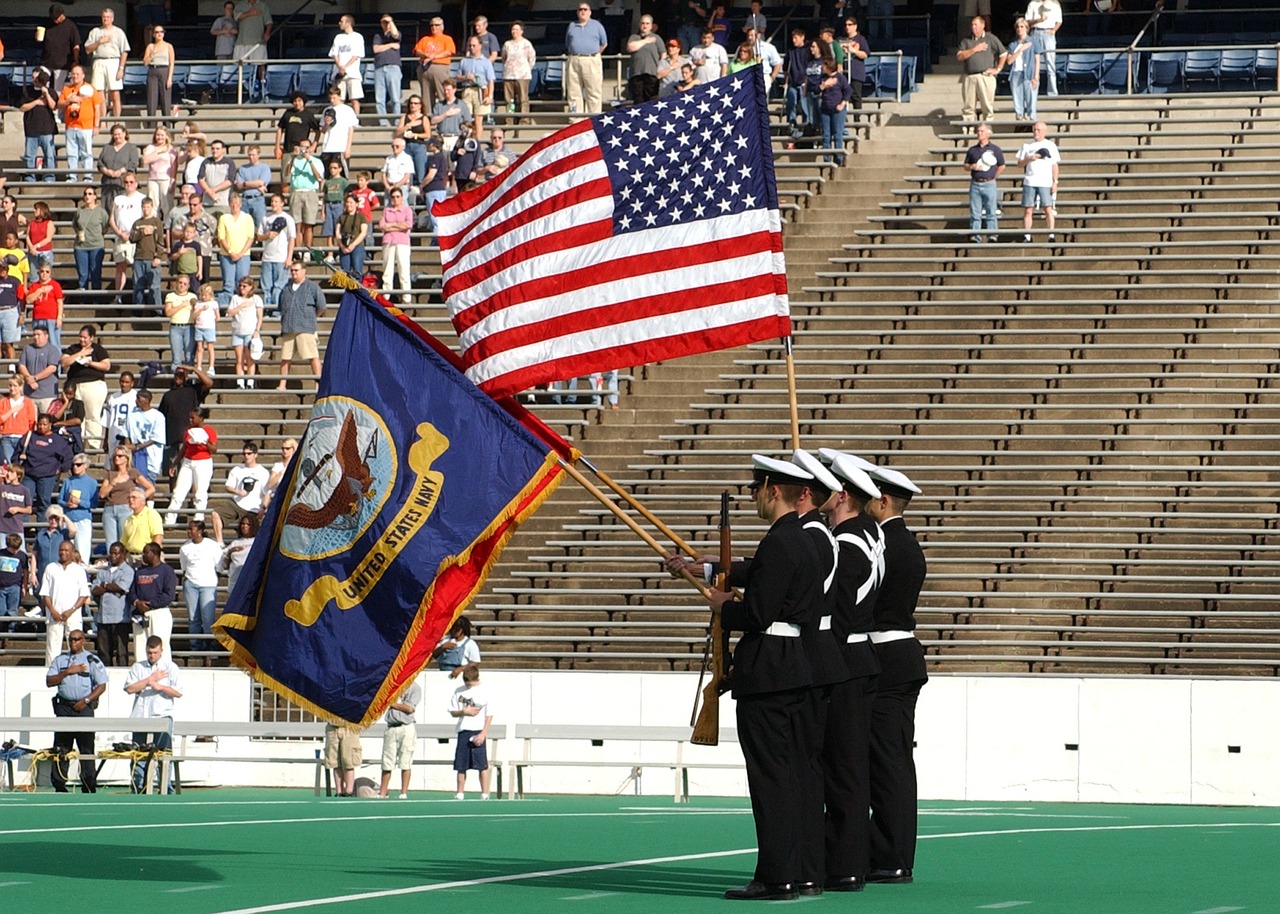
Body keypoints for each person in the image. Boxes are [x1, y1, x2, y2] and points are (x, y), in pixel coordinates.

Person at [667, 454, 824, 901]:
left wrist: (722, 607)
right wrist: (711, 566)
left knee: (770, 779)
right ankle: (794, 871)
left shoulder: (781, 540)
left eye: (756, 490)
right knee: (790, 777)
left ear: (774, 490)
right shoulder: (805, 539)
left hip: (770, 669)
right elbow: (756, 572)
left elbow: (757, 611)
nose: (753, 497)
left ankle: (775, 877)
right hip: (793, 664)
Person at [816, 451, 885, 892]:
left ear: (842, 495)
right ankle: (846, 863)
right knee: (847, 770)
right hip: (857, 660)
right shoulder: (866, 534)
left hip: (844, 663)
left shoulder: (847, 544)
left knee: (842, 771)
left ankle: (843, 865)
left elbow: (817, 592)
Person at [861, 463, 926, 884]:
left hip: (884, 656)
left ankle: (890, 855)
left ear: (883, 500)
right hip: (900, 655)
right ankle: (892, 853)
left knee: (886, 763)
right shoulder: (906, 543)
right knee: (894, 762)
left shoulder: (881, 544)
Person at [45, 628, 108, 792]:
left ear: (84, 640)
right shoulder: (60, 660)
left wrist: (86, 700)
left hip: (84, 706)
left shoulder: (92, 660)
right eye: (71, 639)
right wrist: (68, 672)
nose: (74, 642)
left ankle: (88, 784)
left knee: (86, 748)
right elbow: (50, 681)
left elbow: (102, 686)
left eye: (77, 639)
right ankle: (59, 784)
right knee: (61, 747)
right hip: (64, 706)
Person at [123, 634, 182, 793]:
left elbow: (178, 692)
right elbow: (129, 689)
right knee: (139, 755)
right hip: (141, 717)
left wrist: (160, 687)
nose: (152, 656)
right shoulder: (138, 667)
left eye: (155, 652)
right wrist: (149, 680)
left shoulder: (170, 667)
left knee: (163, 755)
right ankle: (138, 788)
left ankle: (165, 788)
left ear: (161, 651)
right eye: (149, 652)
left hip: (162, 716)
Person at [40, 538, 90, 666]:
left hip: (73, 615)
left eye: (66, 550)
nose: (63, 552)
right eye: (61, 550)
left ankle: (77, 672)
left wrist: (71, 610)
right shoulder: (51, 568)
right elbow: (45, 593)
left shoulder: (79, 570)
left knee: (76, 647)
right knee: (52, 648)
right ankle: (51, 674)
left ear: (72, 552)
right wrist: (52, 611)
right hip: (54, 615)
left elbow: (83, 595)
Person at [277, 260, 326, 389]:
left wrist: (311, 317)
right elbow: (280, 305)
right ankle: (282, 384)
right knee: (285, 358)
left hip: (306, 327)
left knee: (312, 356)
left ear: (304, 271)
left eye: (296, 270)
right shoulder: (286, 288)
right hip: (288, 327)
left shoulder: (312, 287)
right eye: (292, 270)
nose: (293, 273)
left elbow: (322, 306)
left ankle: (318, 384)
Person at [60, 325, 111, 449]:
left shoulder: (98, 349)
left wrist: (90, 362)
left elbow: (106, 366)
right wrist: (80, 353)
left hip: (93, 385)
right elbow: (64, 362)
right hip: (75, 386)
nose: (82, 340)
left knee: (92, 415)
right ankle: (78, 444)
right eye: (80, 337)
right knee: (77, 416)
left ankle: (94, 445)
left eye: (85, 337)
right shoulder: (73, 349)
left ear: (91, 338)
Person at [165, 407, 217, 526]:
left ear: (201, 418)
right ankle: (170, 520)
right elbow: (184, 447)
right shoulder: (188, 430)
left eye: (193, 418)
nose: (190, 420)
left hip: (203, 462)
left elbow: (214, 449)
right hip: (188, 461)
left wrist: (204, 442)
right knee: (179, 491)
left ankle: (199, 519)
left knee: (200, 492)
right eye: (190, 417)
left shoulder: (209, 431)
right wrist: (175, 463)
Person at [449, 663, 493, 799]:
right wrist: (464, 711)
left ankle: (485, 793)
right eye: (466, 683)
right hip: (464, 730)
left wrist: (483, 733)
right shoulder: (458, 691)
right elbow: (452, 712)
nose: (469, 685)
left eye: (471, 683)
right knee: (461, 765)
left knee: (482, 764)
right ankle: (460, 792)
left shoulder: (484, 691)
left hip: (478, 731)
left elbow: (489, 715)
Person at [157, 365, 211, 475]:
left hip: (189, 438)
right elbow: (160, 417)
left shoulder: (193, 391)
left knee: (189, 472)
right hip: (171, 438)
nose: (178, 377)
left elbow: (209, 383)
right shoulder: (167, 395)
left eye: (182, 375)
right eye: (176, 374)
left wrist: (194, 369)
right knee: (172, 473)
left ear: (186, 377)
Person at [128, 542, 176, 660]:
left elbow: (169, 595)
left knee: (160, 644)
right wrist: (137, 602)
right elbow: (132, 591)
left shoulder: (167, 570)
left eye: (146, 552)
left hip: (159, 613)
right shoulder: (139, 571)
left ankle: (163, 673)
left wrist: (150, 604)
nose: (143, 555)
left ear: (154, 553)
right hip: (140, 613)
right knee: (140, 647)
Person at [179, 520, 220, 651]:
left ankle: (210, 647)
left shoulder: (212, 545)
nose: (189, 532)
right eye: (188, 529)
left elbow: (219, 565)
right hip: (191, 585)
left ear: (200, 531)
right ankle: (195, 647)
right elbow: (184, 567)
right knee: (193, 618)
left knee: (208, 618)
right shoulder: (184, 547)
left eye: (192, 529)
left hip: (208, 584)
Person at [1018, 120, 1061, 244]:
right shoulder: (1027, 145)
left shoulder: (1050, 145)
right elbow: (1019, 164)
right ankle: (1027, 235)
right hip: (1029, 181)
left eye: (1038, 130)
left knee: (1048, 208)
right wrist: (1028, 158)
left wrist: (1055, 182)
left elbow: (1055, 165)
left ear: (1044, 131)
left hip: (1045, 182)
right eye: (1034, 129)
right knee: (1028, 209)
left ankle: (1051, 234)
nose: (1036, 132)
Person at [957, 15, 1006, 124]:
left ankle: (987, 130)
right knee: (968, 107)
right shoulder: (966, 41)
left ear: (983, 25)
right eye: (972, 25)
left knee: (987, 107)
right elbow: (960, 56)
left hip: (985, 76)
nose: (973, 27)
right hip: (969, 77)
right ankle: (967, 132)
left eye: (976, 25)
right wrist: (974, 49)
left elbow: (1003, 53)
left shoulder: (991, 38)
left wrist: (998, 68)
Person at [101, 444, 154, 545]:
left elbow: (151, 488)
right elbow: (102, 494)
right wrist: (113, 482)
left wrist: (138, 499)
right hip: (109, 509)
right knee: (110, 543)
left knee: (124, 541)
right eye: (115, 456)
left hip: (125, 508)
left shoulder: (132, 472)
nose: (117, 458)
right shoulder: (110, 474)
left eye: (120, 456)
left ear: (126, 458)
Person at [19, 413, 72, 513]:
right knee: (25, 502)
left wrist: (61, 468)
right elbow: (18, 452)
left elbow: (68, 456)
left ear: (50, 425)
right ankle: (23, 527)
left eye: (44, 424)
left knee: (44, 503)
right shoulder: (30, 436)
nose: (42, 427)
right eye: (39, 424)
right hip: (28, 475)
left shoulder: (57, 440)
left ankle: (42, 528)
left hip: (47, 477)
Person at [92, 541, 134, 665]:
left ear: (123, 554)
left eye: (116, 553)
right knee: (104, 652)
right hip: (103, 618)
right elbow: (94, 590)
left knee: (121, 653)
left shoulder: (128, 571)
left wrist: (104, 585)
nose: (113, 556)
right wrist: (110, 587)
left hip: (120, 619)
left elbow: (122, 587)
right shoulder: (103, 571)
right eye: (111, 553)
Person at [378, 677, 421, 799]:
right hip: (392, 726)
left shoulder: (415, 687)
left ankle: (403, 792)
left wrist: (392, 704)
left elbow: (409, 708)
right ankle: (383, 792)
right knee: (387, 761)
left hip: (406, 726)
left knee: (405, 760)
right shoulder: (393, 685)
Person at [84, 7, 130, 121]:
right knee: (99, 93)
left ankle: (116, 121)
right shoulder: (95, 31)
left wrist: (121, 68)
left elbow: (124, 51)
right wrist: (99, 42)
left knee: (115, 93)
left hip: (114, 61)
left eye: (108, 17)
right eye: (104, 17)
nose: (106, 19)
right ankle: (103, 120)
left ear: (112, 19)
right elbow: (87, 49)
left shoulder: (118, 32)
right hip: (98, 61)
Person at [57, 66, 99, 183]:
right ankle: (72, 176)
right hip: (71, 126)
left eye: (78, 74)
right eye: (73, 74)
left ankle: (87, 176)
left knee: (86, 152)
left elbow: (97, 107)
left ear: (83, 75)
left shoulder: (90, 89)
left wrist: (96, 125)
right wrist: (69, 101)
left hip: (86, 126)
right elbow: (59, 105)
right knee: (71, 153)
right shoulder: (66, 89)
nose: (75, 76)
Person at [964, 122, 1004, 243]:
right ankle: (975, 235)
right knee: (975, 212)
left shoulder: (995, 149)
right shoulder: (972, 150)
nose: (979, 133)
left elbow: (1002, 165)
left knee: (991, 210)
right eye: (978, 131)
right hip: (975, 183)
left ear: (988, 133)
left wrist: (993, 177)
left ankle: (992, 235)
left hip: (989, 183)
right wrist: (972, 166)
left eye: (982, 131)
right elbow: (965, 165)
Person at [565, 3, 608, 115]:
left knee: (593, 91)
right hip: (574, 59)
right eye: (580, 9)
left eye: (585, 9)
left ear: (590, 12)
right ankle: (575, 120)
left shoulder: (597, 25)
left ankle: (593, 120)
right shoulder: (572, 25)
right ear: (577, 12)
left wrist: (593, 54)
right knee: (573, 92)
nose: (583, 11)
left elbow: (604, 43)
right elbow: (568, 43)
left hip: (591, 60)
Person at [20, 67, 59, 183]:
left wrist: (46, 94)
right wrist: (36, 102)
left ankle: (49, 177)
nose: (34, 80)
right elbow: (22, 107)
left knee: (49, 155)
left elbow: (53, 106)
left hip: (47, 129)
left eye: (36, 78)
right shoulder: (27, 91)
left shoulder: (51, 91)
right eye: (32, 78)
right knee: (29, 156)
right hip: (31, 129)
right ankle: (29, 177)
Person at [274, 91, 319, 192]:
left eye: (299, 100)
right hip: (288, 150)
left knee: (300, 176)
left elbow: (317, 131)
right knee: (286, 178)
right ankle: (286, 202)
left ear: (303, 102)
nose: (297, 103)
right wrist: (277, 146)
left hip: (302, 151)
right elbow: (280, 129)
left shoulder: (308, 115)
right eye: (295, 101)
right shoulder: (288, 113)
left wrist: (314, 145)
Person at [216, 192, 255, 307]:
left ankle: (241, 306)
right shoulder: (224, 218)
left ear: (241, 204)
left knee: (242, 282)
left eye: (237, 203)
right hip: (227, 255)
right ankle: (228, 307)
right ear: (229, 204)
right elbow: (221, 238)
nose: (235, 206)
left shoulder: (247, 218)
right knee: (228, 284)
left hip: (244, 255)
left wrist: (241, 253)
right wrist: (230, 252)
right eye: (232, 203)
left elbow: (250, 237)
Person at [128, 195, 165, 310]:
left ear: (152, 207)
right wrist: (142, 232)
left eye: (148, 207)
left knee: (155, 287)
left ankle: (157, 311)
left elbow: (160, 241)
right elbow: (132, 238)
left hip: (152, 258)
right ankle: (137, 311)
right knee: (138, 286)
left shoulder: (156, 222)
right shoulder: (137, 223)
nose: (145, 209)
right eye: (144, 207)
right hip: (139, 258)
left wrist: (158, 256)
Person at [227, 276, 265, 388]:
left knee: (250, 359)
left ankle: (250, 382)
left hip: (250, 332)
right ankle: (240, 382)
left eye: (245, 286)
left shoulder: (256, 299)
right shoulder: (235, 298)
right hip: (237, 332)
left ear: (250, 287)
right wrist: (241, 306)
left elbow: (260, 316)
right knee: (239, 359)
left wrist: (257, 330)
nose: (242, 288)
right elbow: (230, 312)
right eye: (240, 286)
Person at [413, 16, 456, 114]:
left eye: (437, 25)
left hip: (440, 67)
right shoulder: (425, 39)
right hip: (424, 69)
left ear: (442, 27)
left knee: (443, 93)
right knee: (426, 96)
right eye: (432, 25)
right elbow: (417, 51)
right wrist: (426, 55)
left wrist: (434, 56)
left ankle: (444, 115)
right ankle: (428, 119)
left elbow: (449, 51)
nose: (434, 27)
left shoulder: (447, 38)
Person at [287, 140, 324, 251]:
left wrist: (309, 160)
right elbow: (287, 173)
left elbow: (319, 177)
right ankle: (298, 250)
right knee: (297, 224)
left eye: (306, 147)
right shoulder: (294, 160)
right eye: (302, 147)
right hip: (296, 191)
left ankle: (308, 250)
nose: (304, 149)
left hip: (310, 192)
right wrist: (293, 157)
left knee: (308, 224)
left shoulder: (316, 161)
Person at [378, 188, 413, 303]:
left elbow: (408, 224)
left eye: (398, 196)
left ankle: (407, 298)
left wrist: (391, 225)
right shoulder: (386, 210)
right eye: (393, 197)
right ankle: (386, 296)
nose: (395, 199)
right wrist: (398, 225)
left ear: (402, 198)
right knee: (387, 270)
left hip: (402, 243)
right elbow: (382, 226)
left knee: (404, 270)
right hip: (388, 242)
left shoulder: (407, 210)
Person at [71, 189, 109, 293]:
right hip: (80, 246)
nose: (87, 196)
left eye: (90, 194)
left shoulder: (101, 212)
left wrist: (97, 235)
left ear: (95, 197)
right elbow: (75, 224)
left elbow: (105, 227)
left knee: (95, 272)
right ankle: (84, 299)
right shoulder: (79, 210)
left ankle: (96, 298)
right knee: (83, 274)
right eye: (85, 194)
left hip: (96, 246)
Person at [456, 37, 495, 138]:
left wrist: (490, 96)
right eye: (470, 46)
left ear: (480, 46)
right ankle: (466, 140)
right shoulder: (464, 61)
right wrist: (465, 77)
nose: (472, 48)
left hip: (480, 91)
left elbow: (490, 80)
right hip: (467, 90)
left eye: (474, 45)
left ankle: (477, 142)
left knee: (478, 120)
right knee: (466, 118)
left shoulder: (486, 62)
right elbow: (457, 77)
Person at [59, 452, 96, 560]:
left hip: (83, 519)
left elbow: (94, 504)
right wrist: (67, 504)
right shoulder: (67, 481)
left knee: (82, 551)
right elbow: (60, 499)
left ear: (86, 466)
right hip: (68, 519)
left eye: (78, 464)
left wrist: (80, 502)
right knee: (66, 550)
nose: (75, 467)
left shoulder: (91, 482)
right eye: (73, 464)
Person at [816, 58, 851, 166]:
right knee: (826, 135)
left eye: (824, 66)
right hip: (825, 109)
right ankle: (826, 160)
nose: (822, 67)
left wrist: (843, 103)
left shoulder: (841, 78)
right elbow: (816, 90)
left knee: (837, 134)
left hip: (837, 110)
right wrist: (824, 85)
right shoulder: (823, 78)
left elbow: (848, 91)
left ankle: (838, 159)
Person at [41, 3, 82, 93]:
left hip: (62, 63)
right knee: (42, 85)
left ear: (62, 15)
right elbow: (40, 40)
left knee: (58, 89)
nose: (55, 20)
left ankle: (57, 106)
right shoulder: (47, 24)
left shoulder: (70, 26)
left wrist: (76, 60)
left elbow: (76, 44)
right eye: (53, 18)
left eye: (57, 17)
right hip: (46, 61)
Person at [329, 15, 366, 114]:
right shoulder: (338, 37)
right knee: (339, 100)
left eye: (342, 21)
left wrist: (345, 67)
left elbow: (357, 55)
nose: (339, 23)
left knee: (354, 99)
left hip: (353, 74)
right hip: (340, 74)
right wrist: (340, 67)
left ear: (348, 23)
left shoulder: (358, 37)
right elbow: (334, 54)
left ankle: (356, 121)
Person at [318, 86, 357, 178]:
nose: (332, 100)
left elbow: (350, 130)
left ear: (339, 96)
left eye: (334, 98)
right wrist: (326, 124)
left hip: (340, 148)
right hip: (327, 148)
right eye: (330, 98)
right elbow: (323, 130)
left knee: (342, 176)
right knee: (327, 175)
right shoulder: (326, 110)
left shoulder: (347, 110)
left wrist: (348, 148)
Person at [19, 325, 60, 413]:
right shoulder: (27, 348)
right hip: (29, 394)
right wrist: (28, 378)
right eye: (34, 335)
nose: (35, 337)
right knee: (30, 423)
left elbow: (52, 368)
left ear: (46, 336)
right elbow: (21, 365)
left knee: (47, 422)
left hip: (47, 394)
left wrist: (35, 378)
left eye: (38, 334)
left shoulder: (53, 350)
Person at [501, 23, 536, 123]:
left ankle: (524, 119)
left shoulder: (527, 44)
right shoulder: (507, 44)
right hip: (508, 75)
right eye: (513, 29)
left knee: (523, 99)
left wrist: (525, 69)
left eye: (517, 29)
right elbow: (504, 58)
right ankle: (510, 119)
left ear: (521, 31)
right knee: (509, 100)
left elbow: (532, 59)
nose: (514, 32)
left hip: (523, 75)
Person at [372, 14, 403, 127]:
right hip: (379, 68)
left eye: (387, 22)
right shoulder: (378, 36)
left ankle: (397, 121)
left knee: (395, 97)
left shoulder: (396, 34)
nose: (386, 25)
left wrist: (390, 21)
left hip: (393, 67)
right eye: (384, 22)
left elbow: (395, 34)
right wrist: (391, 45)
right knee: (379, 98)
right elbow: (376, 49)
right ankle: (383, 122)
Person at [1006, 18, 1039, 122]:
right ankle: (1019, 118)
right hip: (1016, 73)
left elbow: (1037, 60)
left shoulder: (1033, 42)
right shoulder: (1013, 45)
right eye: (1018, 27)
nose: (1019, 29)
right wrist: (1020, 50)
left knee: (1031, 99)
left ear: (1027, 28)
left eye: (1022, 27)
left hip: (1029, 73)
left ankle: (1031, 119)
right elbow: (1009, 61)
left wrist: (1036, 77)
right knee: (1017, 99)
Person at [1027, 0, 1062, 95]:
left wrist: (1053, 30)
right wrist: (1039, 20)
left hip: (1048, 33)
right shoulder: (1033, 3)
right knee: (1032, 63)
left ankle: (1052, 93)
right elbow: (1027, 21)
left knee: (1050, 63)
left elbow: (1059, 21)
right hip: (1035, 32)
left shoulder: (1055, 3)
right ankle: (1032, 91)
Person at [141, 24, 174, 124]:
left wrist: (169, 78)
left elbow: (172, 63)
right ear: (153, 34)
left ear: (164, 34)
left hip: (164, 70)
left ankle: (166, 125)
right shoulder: (150, 46)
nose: (159, 34)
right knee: (151, 99)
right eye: (156, 32)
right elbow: (145, 62)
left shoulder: (168, 46)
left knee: (165, 100)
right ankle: (151, 125)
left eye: (161, 32)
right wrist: (152, 54)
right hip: (152, 71)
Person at [0, 376, 37, 464]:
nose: (12, 388)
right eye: (10, 385)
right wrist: (12, 411)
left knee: (20, 465)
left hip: (22, 437)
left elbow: (31, 422)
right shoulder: (3, 402)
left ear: (21, 387)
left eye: (15, 385)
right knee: (9, 464)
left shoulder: (28, 402)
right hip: (6, 437)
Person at [141, 125, 176, 217]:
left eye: (162, 135)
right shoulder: (150, 147)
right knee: (153, 203)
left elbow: (174, 166)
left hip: (165, 179)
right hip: (153, 179)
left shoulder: (171, 148)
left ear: (166, 136)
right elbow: (145, 160)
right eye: (158, 135)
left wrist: (173, 180)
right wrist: (158, 151)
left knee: (166, 204)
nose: (159, 137)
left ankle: (167, 226)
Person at [218, 512, 258, 594]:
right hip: (234, 581)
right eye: (243, 524)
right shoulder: (235, 543)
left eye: (248, 524)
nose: (244, 526)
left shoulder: (257, 542)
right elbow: (225, 564)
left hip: (250, 582)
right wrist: (231, 552)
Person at [627, 15, 664, 104]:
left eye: (647, 23)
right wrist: (646, 41)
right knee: (638, 101)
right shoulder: (634, 37)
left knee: (651, 101)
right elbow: (630, 48)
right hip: (636, 74)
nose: (645, 26)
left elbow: (663, 54)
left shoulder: (656, 38)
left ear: (651, 26)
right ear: (639, 25)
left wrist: (660, 69)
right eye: (643, 23)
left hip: (652, 74)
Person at [234, 145, 272, 229]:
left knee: (260, 227)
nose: (251, 157)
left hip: (257, 200)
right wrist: (256, 185)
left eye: (253, 155)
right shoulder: (243, 168)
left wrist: (245, 184)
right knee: (243, 227)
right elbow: (239, 185)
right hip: (244, 200)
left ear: (258, 155)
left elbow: (261, 182)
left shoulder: (264, 168)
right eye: (249, 155)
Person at [233, 0, 273, 79]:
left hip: (259, 41)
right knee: (239, 65)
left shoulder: (263, 5)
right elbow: (237, 17)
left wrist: (267, 33)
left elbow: (268, 22)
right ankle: (241, 86)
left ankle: (263, 84)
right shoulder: (241, 4)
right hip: (242, 41)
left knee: (261, 64)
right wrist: (250, 13)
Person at [121, 485, 164, 560]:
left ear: (142, 501)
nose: (131, 500)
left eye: (134, 497)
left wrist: (152, 556)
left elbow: (158, 537)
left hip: (147, 557)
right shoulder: (129, 519)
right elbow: (123, 542)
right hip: (130, 557)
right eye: (129, 498)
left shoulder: (151, 514)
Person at [100, 370, 137, 456]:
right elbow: (107, 421)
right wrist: (105, 440)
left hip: (130, 434)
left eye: (127, 382)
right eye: (122, 381)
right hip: (114, 433)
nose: (124, 384)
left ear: (132, 383)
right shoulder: (112, 397)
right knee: (113, 460)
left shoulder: (136, 397)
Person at [839, 19, 871, 112]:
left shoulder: (861, 39)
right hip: (843, 72)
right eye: (846, 25)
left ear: (855, 26)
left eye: (850, 24)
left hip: (855, 72)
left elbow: (865, 54)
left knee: (856, 96)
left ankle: (857, 120)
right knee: (841, 96)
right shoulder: (841, 39)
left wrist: (854, 51)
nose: (847, 27)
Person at [198, 139, 236, 214]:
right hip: (207, 203)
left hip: (222, 203)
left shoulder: (229, 163)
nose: (215, 151)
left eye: (217, 149)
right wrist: (209, 192)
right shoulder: (206, 162)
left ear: (223, 150)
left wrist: (213, 190)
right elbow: (200, 179)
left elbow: (230, 181)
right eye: (213, 148)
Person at [324, 722, 362, 797]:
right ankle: (339, 791)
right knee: (335, 762)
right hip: (332, 727)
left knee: (349, 761)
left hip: (350, 727)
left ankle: (349, 791)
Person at [335, 193, 368, 278]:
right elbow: (337, 232)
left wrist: (353, 244)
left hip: (357, 246)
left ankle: (357, 291)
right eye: (347, 202)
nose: (349, 204)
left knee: (357, 273)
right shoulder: (341, 217)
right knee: (345, 273)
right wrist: (342, 246)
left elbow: (363, 232)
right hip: (344, 247)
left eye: (351, 202)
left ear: (356, 204)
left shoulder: (361, 216)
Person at [0, 533, 28, 630]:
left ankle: (11, 631)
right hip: (1, 587)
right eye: (13, 549)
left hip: (15, 586)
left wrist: (24, 586)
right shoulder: (1, 553)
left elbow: (25, 571)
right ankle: (2, 630)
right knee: (2, 610)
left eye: (17, 548)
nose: (16, 551)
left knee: (12, 610)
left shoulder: (22, 556)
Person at [192, 282, 220, 375]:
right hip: (199, 328)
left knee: (210, 347)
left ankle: (211, 367)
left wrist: (212, 322)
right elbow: (194, 315)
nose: (204, 297)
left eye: (206, 295)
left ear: (210, 294)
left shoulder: (213, 303)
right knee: (200, 348)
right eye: (202, 295)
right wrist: (200, 310)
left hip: (209, 328)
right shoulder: (198, 304)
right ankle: (199, 366)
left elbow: (218, 317)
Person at [0, 259, 23, 363]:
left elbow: (21, 298)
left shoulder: (15, 281)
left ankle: (11, 365)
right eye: (0, 268)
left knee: (9, 342)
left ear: (8, 269)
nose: (2, 270)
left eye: (4, 268)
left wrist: (22, 313)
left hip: (10, 311)